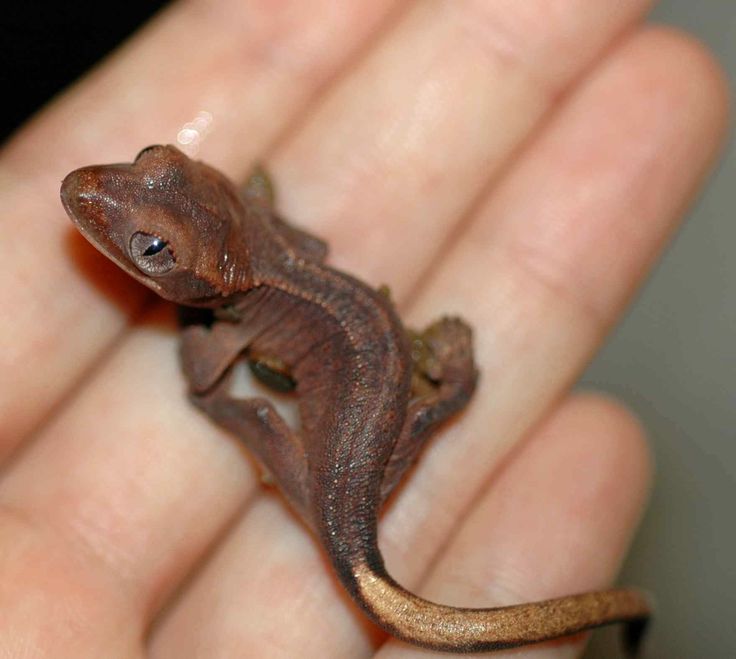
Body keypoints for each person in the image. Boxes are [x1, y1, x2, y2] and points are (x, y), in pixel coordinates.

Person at [0, 2, 727, 656]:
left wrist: (202, 357)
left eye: (153, 248)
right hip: (367, 413)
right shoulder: (283, 252)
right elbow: (305, 249)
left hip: (334, 479)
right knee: (318, 415)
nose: (98, 193)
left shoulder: (243, 307)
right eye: (152, 240)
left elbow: (201, 372)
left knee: (238, 404)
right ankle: (444, 402)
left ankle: (421, 415)